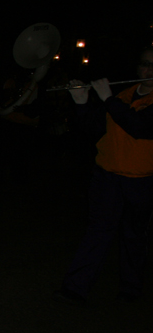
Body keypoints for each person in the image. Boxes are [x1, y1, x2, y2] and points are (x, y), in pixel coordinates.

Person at [54, 47, 153, 306]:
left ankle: (130, 289)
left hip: (140, 180)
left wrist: (108, 99)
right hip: (107, 177)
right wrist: (82, 101)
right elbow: (94, 129)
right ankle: (76, 287)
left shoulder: (118, 100)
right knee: (98, 231)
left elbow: (138, 127)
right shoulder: (123, 95)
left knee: (133, 236)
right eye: (144, 64)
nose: (149, 70)